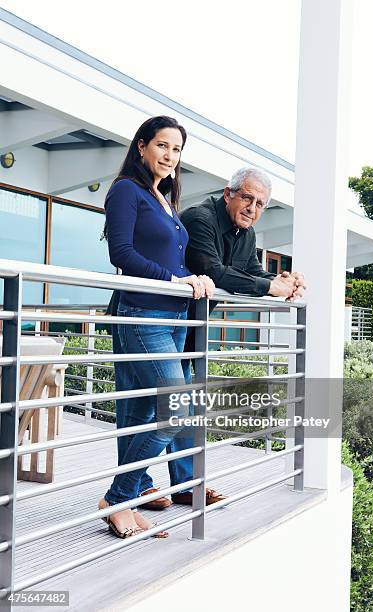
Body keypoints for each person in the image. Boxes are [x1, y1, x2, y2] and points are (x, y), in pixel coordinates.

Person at [140, 167, 306, 510]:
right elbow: (213, 271)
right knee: (149, 404)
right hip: (156, 319)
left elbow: (252, 273)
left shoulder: (245, 233)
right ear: (228, 193)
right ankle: (135, 486)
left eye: (260, 203)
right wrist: (268, 287)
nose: (252, 208)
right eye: (247, 197)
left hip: (188, 328)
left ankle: (185, 485)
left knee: (184, 405)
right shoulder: (202, 218)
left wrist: (283, 283)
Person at [98, 115, 214, 538]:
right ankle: (118, 497)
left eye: (177, 149)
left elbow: (173, 260)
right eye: (163, 146)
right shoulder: (126, 191)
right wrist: (173, 280)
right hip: (142, 317)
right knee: (176, 410)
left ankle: (123, 500)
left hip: (174, 318)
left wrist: (193, 277)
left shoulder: (162, 196)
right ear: (142, 146)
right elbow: (122, 253)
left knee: (143, 412)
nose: (170, 156)